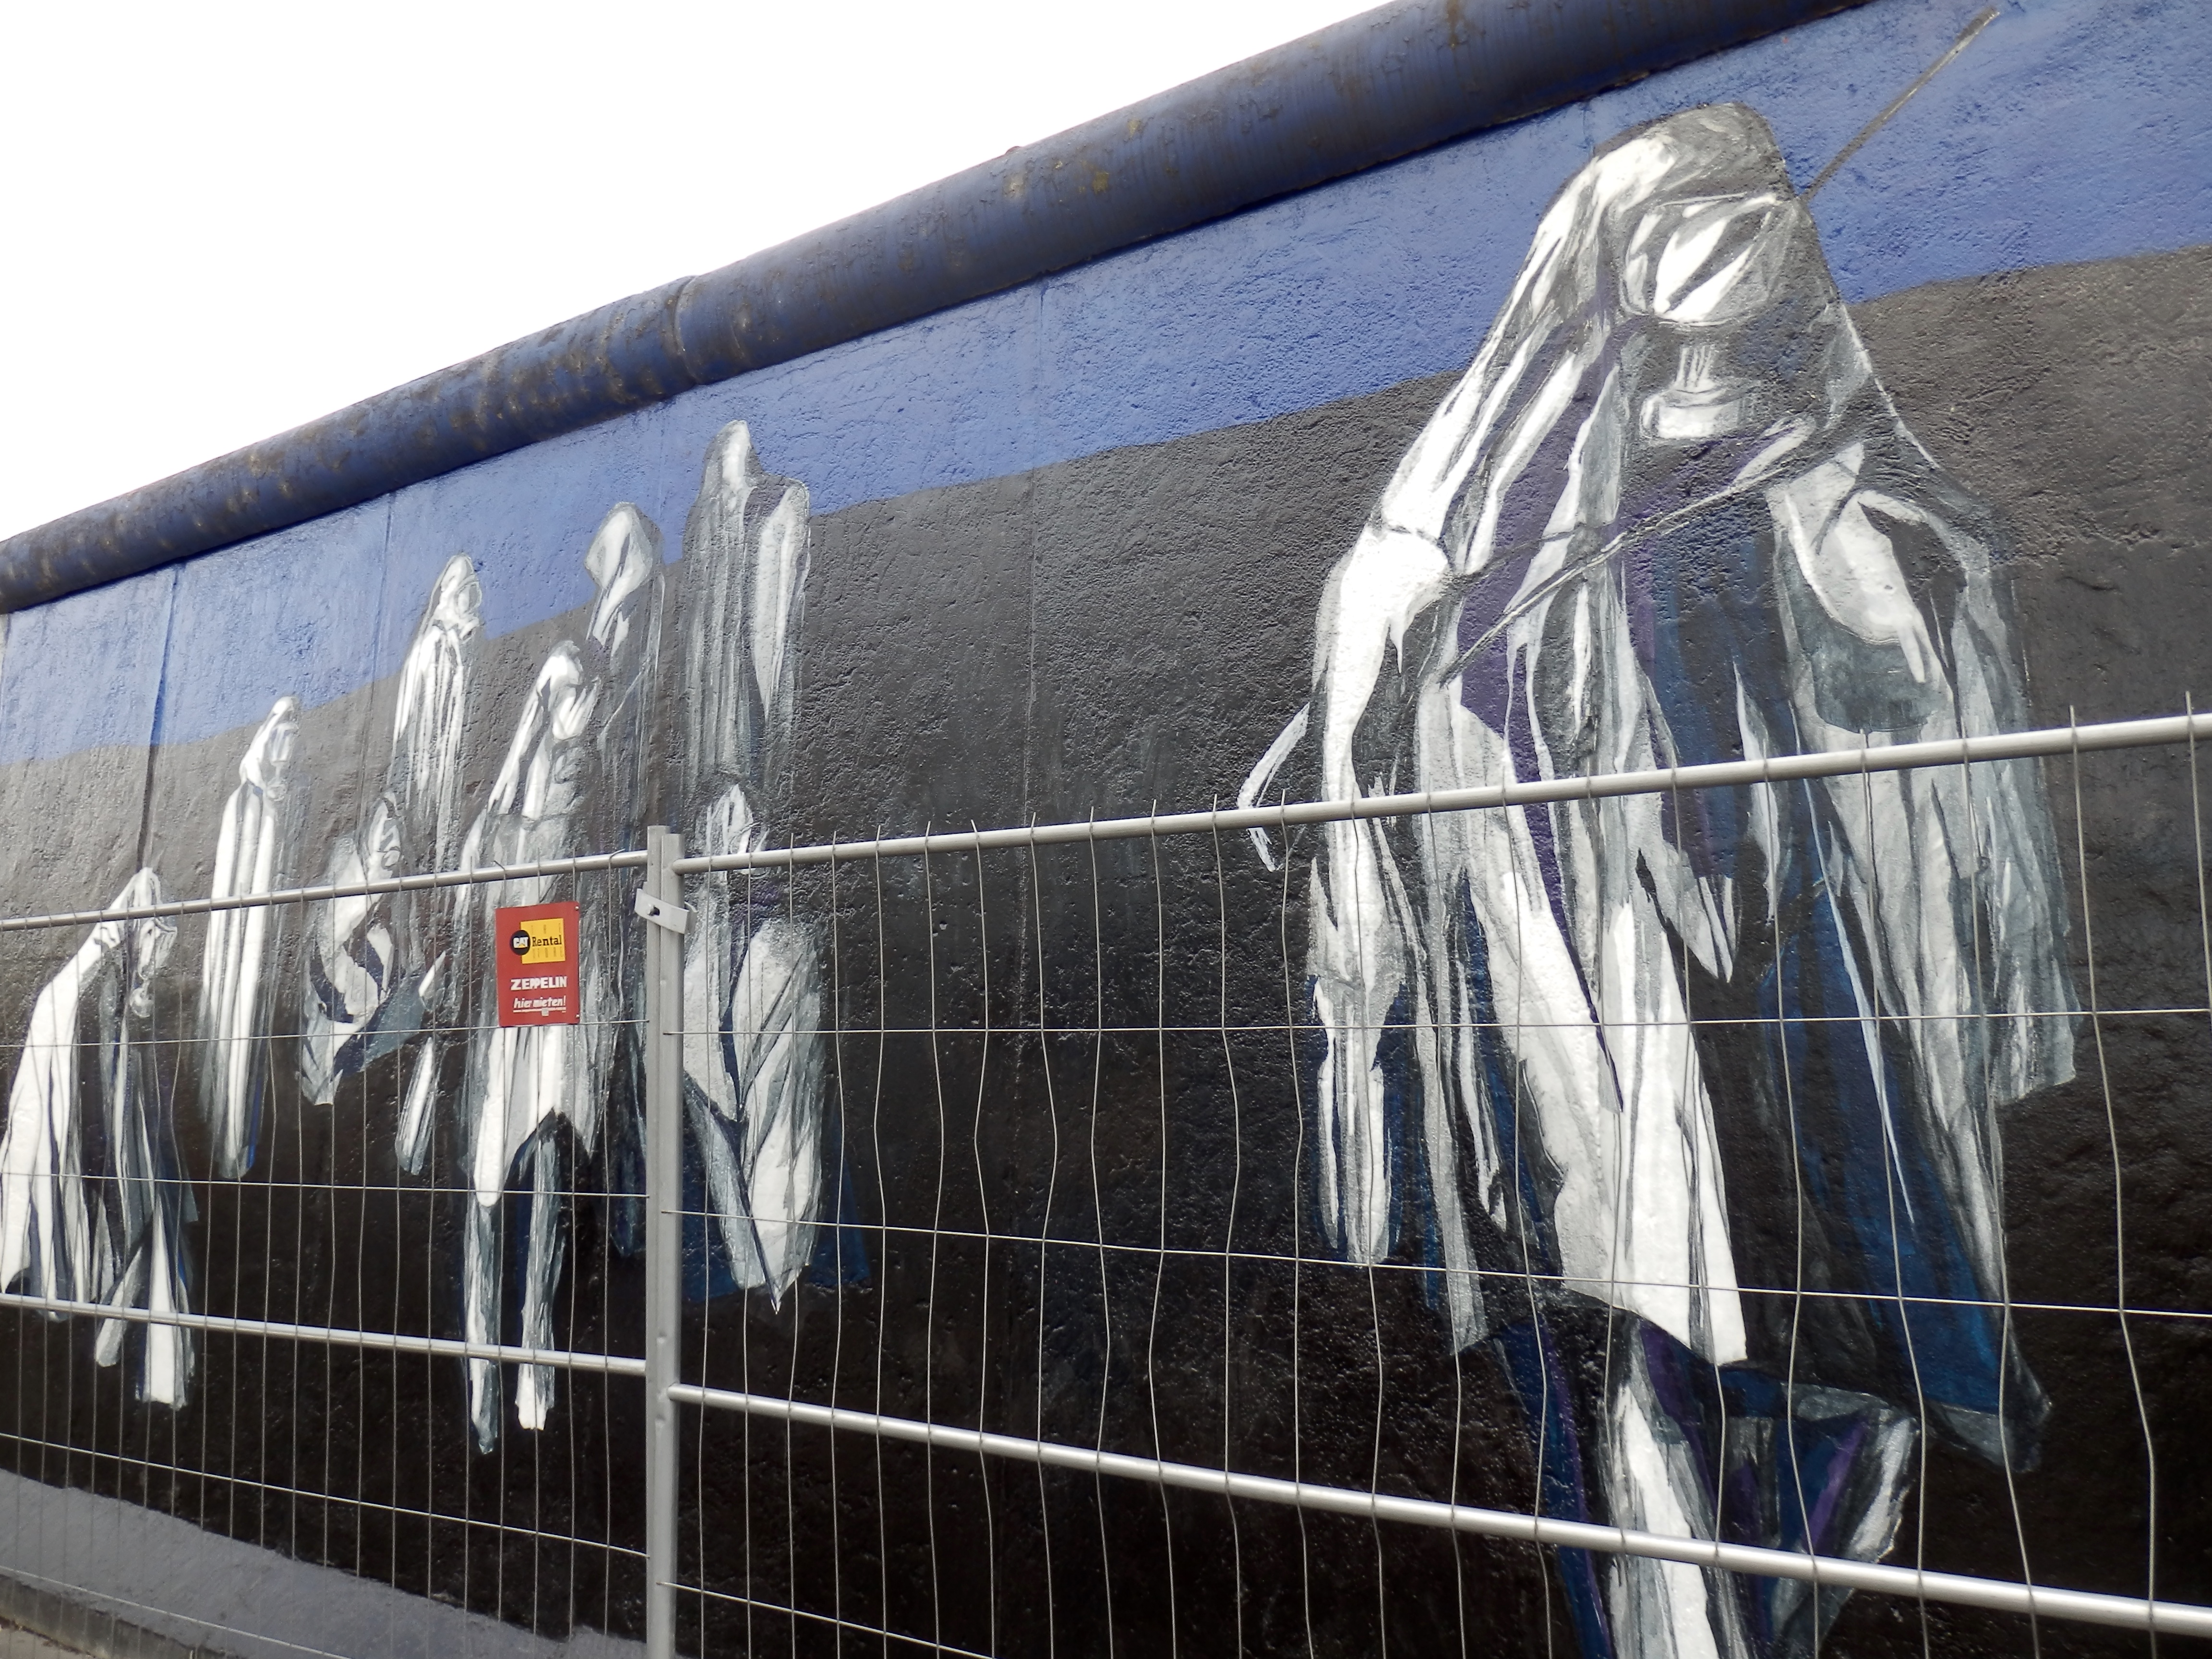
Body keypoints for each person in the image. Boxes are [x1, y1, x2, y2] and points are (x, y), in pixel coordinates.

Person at [1242, 102, 2074, 1659]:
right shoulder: (1530, 496)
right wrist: (1364, 724)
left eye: (1755, 206)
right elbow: (1414, 643)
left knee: (1856, 1370)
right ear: (1616, 260)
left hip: (1809, 1003)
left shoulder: (1849, 474)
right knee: (1630, 1359)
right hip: (1595, 1028)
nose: (1733, 236)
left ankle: (1743, 1618)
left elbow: (1924, 652)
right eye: (1688, 213)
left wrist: (1829, 546)